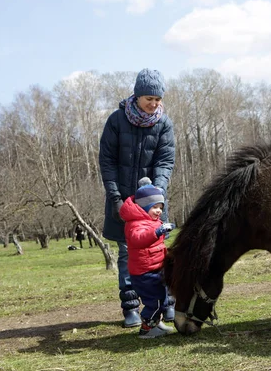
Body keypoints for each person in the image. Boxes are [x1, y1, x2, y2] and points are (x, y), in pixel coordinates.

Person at [99, 68, 175, 328]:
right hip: (124, 202)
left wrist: (158, 191)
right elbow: (106, 161)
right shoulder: (116, 121)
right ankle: (131, 306)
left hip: (153, 202)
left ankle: (167, 304)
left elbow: (165, 161)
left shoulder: (164, 123)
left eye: (157, 99)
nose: (153, 104)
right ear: (137, 95)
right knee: (125, 253)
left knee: (159, 251)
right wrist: (116, 197)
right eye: (148, 99)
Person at [120, 177, 176, 338]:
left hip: (155, 268)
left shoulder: (152, 221)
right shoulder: (135, 223)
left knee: (162, 298)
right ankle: (147, 329)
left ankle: (155, 324)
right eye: (154, 207)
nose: (159, 211)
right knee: (155, 301)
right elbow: (139, 238)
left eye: (160, 207)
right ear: (144, 206)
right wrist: (156, 232)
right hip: (144, 272)